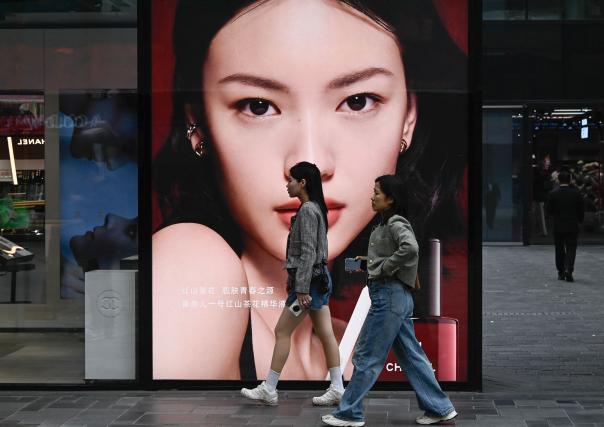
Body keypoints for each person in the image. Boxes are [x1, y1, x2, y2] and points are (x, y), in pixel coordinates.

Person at [152, 0, 469, 381]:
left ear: (408, 118)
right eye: (258, 106)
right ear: (198, 125)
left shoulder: (347, 342)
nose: (312, 162)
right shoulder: (189, 265)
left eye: (358, 101)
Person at [321, 175, 457, 427]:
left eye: (376, 192)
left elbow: (411, 249)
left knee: (366, 357)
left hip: (389, 297)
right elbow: (394, 254)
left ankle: (349, 413)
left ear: (390, 198)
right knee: (411, 357)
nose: (372, 197)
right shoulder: (385, 224)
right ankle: (440, 408)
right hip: (394, 297)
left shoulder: (396, 223)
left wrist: (383, 266)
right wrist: (370, 263)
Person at [240, 162, 344, 406]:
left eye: (291, 180)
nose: (287, 185)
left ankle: (269, 388)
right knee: (327, 333)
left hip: (309, 284)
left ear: (303, 183)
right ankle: (338, 387)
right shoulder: (316, 208)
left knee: (282, 331)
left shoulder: (308, 211)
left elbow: (308, 252)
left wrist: (301, 288)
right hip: (319, 280)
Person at [546, 169, 584, 282]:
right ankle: (569, 269)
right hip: (572, 225)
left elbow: (549, 210)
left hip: (558, 225)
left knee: (559, 248)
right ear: (570, 180)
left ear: (558, 180)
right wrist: (580, 220)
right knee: (571, 247)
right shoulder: (576, 193)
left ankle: (561, 271)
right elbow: (581, 210)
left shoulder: (553, 193)